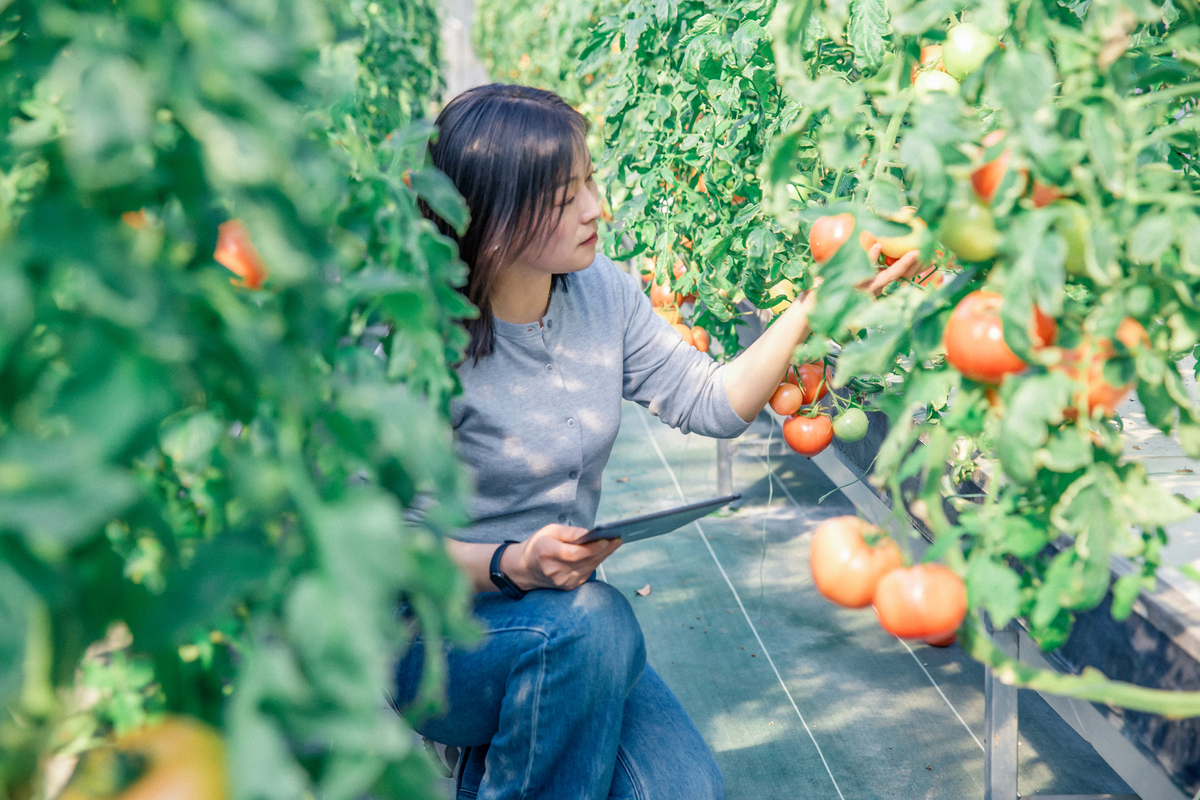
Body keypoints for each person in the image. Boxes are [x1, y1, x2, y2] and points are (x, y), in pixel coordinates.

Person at [391, 83, 920, 800]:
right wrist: (513, 563)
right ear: (492, 220)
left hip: (561, 625)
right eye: (563, 196)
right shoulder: (420, 338)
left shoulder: (602, 294)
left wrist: (811, 310)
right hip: (433, 638)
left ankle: (510, 748)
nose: (594, 208)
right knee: (596, 626)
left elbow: (709, 401)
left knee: (683, 789)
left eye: (589, 182)